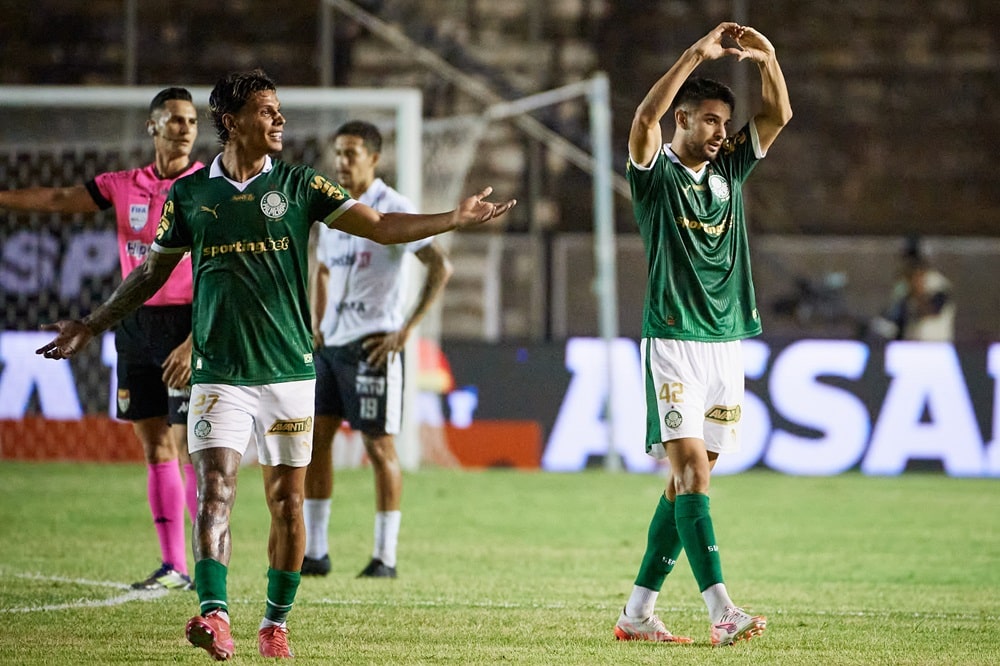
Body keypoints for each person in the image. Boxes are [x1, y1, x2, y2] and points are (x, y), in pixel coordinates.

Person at [35, 68, 515, 661]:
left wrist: (453, 218)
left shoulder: (300, 185)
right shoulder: (191, 196)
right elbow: (149, 275)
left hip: (289, 373)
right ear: (233, 123)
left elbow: (382, 227)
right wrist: (92, 323)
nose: (280, 120)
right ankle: (214, 615)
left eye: (280, 110)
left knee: (287, 502)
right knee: (214, 490)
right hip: (219, 374)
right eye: (267, 111)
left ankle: (275, 623)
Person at [613, 23, 791, 647]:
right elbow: (642, 118)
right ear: (682, 120)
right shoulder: (654, 174)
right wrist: (696, 53)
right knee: (690, 474)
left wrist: (766, 57)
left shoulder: (730, 171)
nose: (721, 132)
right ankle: (723, 612)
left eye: (724, 123)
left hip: (726, 342)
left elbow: (779, 112)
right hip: (673, 339)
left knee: (691, 481)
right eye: (709, 121)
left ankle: (636, 615)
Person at [0, 87, 202, 591]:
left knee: (189, 445)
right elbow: (56, 198)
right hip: (134, 325)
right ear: (153, 127)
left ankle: (208, 564)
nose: (184, 128)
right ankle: (173, 566)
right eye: (174, 119)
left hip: (189, 324)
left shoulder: (208, 187)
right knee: (155, 445)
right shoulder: (122, 185)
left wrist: (196, 339)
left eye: (192, 121)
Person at [301, 120, 454, 578]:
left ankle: (385, 557)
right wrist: (317, 320)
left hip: (374, 346)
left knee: (380, 447)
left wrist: (407, 329)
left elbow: (439, 265)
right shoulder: (335, 209)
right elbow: (323, 268)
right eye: (338, 153)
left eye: (351, 153)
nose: (342, 162)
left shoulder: (394, 208)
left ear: (373, 157)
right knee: (317, 444)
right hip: (331, 345)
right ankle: (318, 552)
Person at [870, 240, 955, 342]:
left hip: (934, 346)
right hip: (910, 345)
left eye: (909, 261)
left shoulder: (937, 283)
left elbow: (932, 312)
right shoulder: (905, 286)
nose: (905, 265)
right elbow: (895, 318)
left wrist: (917, 290)